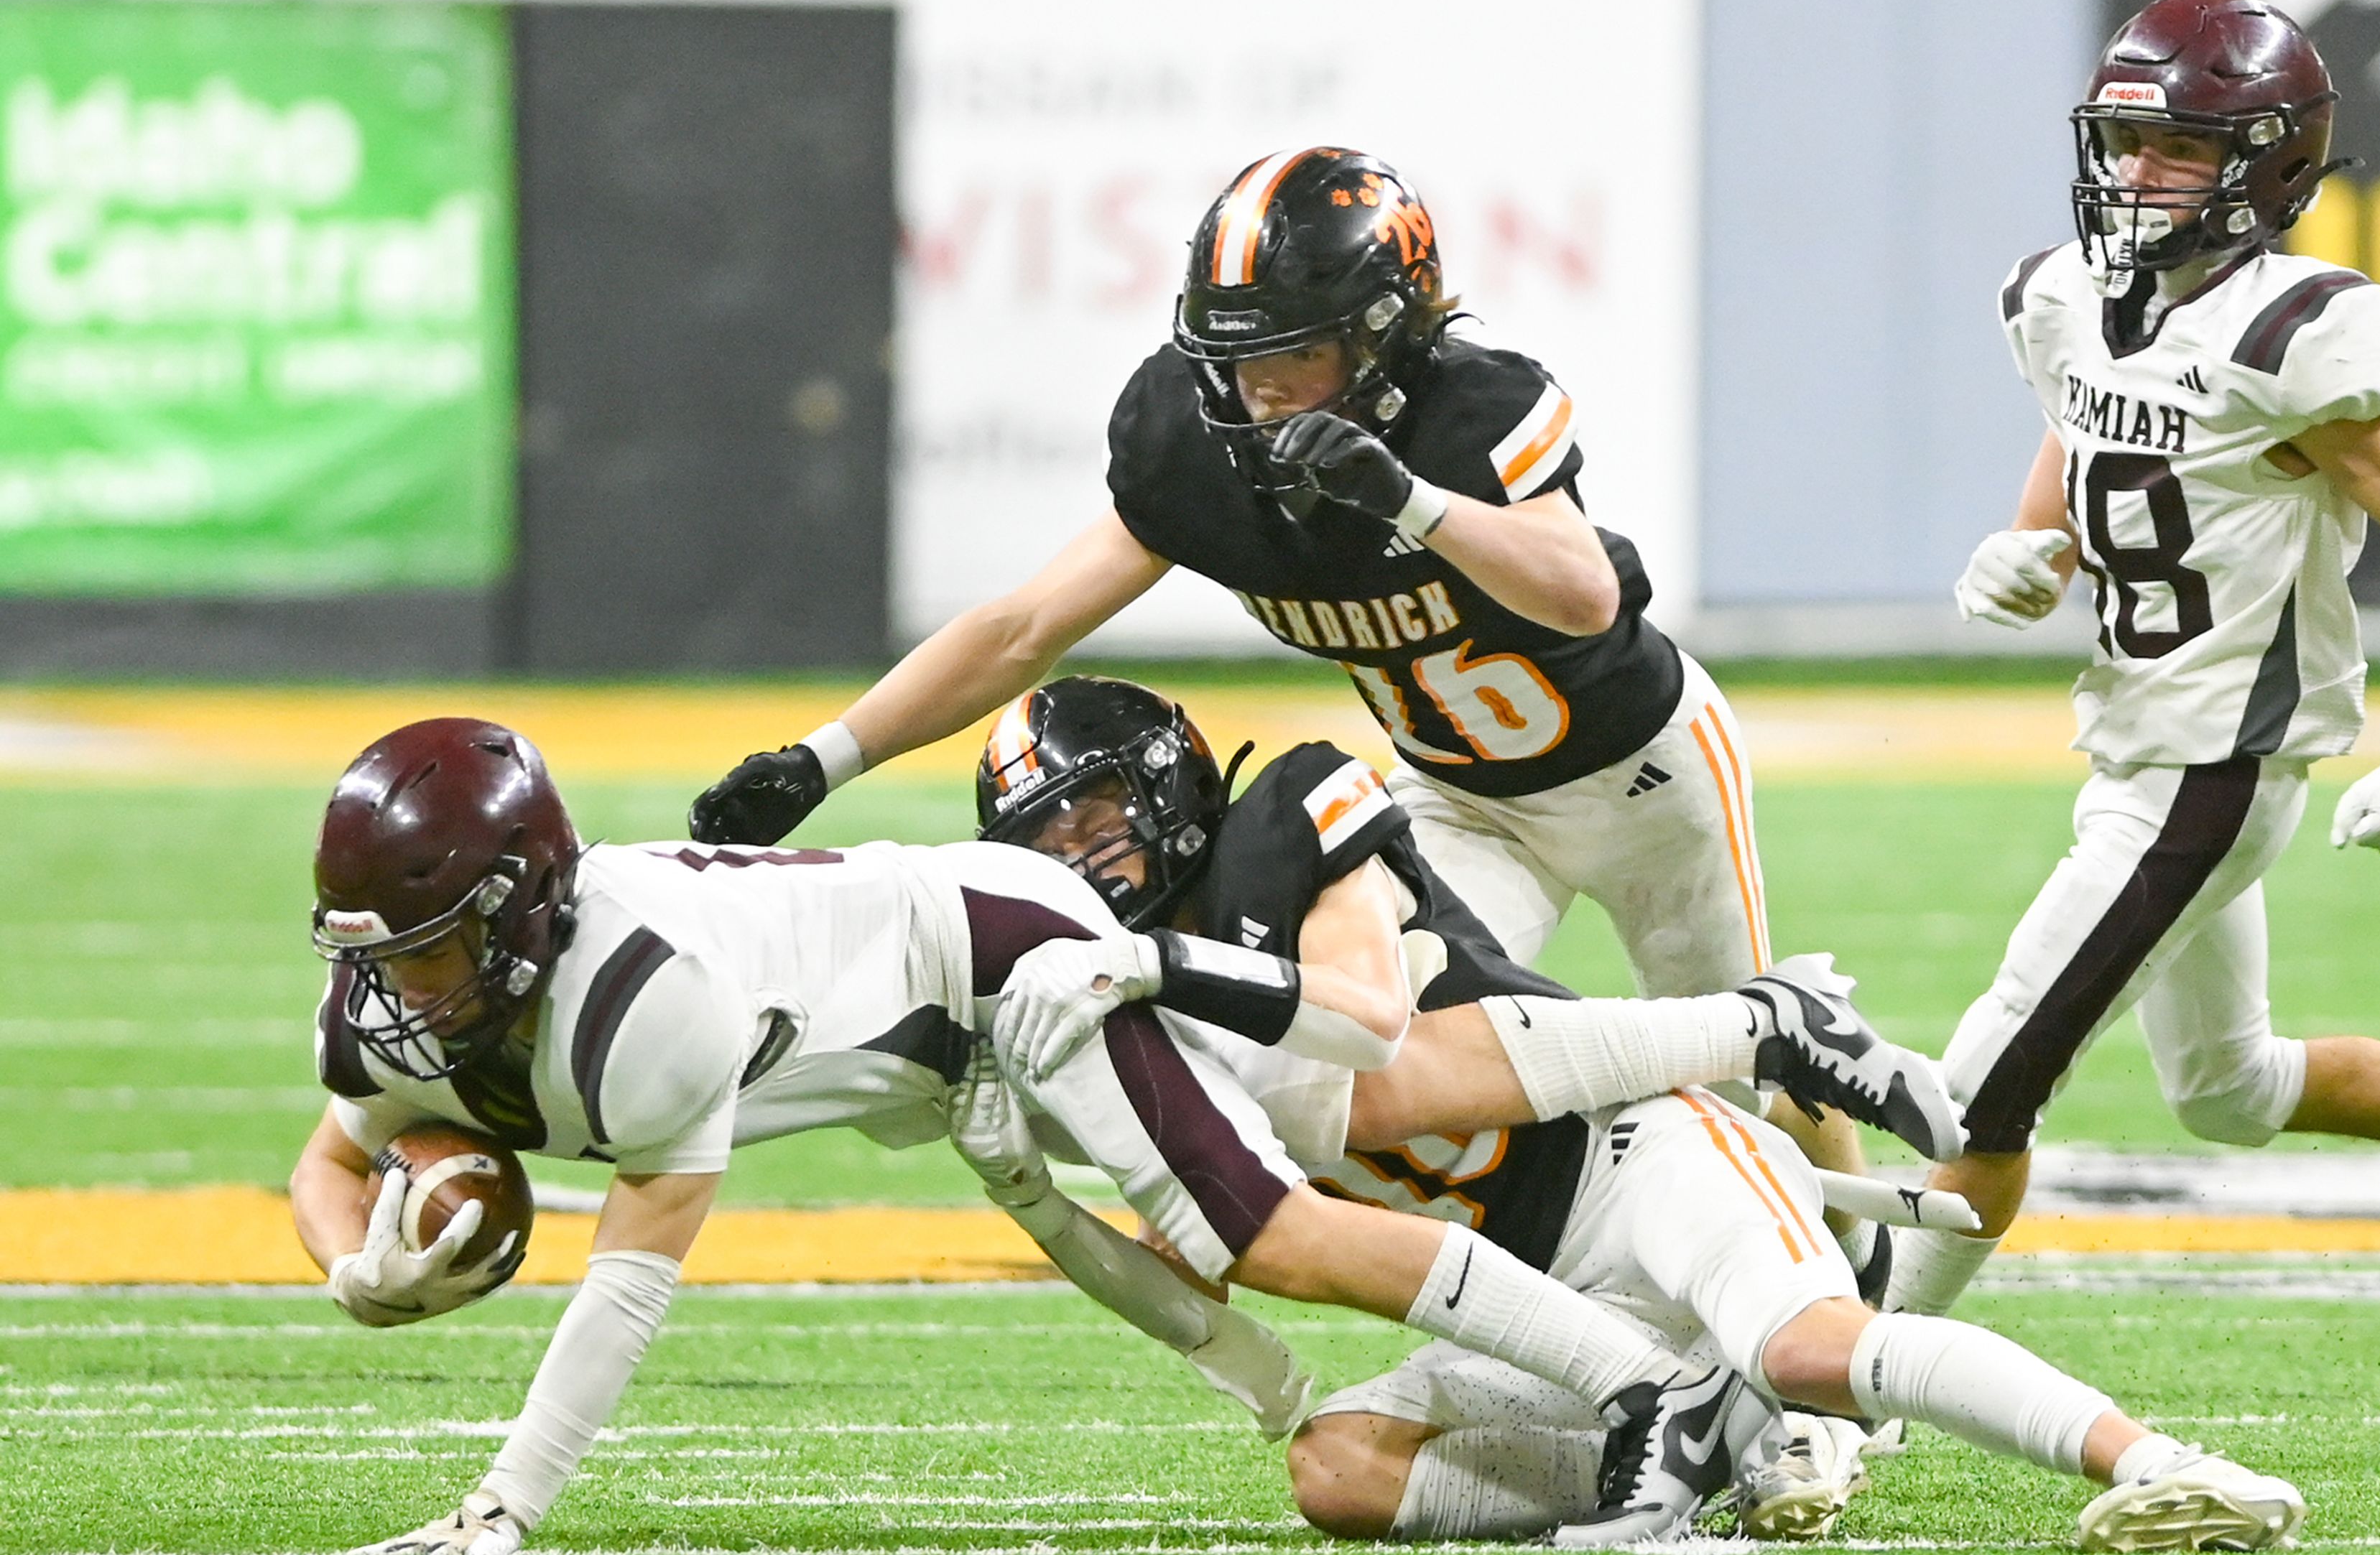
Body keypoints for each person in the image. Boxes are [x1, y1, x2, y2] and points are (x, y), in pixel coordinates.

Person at [288, 718, 1781, 1555]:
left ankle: (1643, 1375)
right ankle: (1383, 1393)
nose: (401, 989)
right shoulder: (393, 1004)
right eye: (382, 952)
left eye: (429, 948)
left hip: (997, 954)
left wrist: (504, 1504)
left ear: (523, 910)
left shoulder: (638, 999)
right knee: (1160, 1246)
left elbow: (631, 1277)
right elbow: (338, 1153)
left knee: (1255, 1223)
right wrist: (357, 1273)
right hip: (925, 1044)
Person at [976, 679, 2306, 1552]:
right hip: (1536, 1291)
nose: (1078, 859)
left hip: (1637, 1151)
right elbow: (1230, 1245)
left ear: (1167, 781)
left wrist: (1155, 962)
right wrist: (1041, 1191)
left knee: (1817, 1345)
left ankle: (2161, 1462)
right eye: (1042, 845)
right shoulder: (1109, 1013)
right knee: (1338, 1469)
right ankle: (1693, 1433)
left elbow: (1366, 1021)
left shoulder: (1288, 814)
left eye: (1091, 814)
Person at [1888, 0, 2380, 1327]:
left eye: (2182, 152)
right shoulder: (2069, 296)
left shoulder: (2295, 335)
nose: (2141, 178)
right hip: (2139, 740)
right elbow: (2086, 422)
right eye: (2128, 143)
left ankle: (1851, 1381)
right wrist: (2035, 542)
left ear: (2267, 168)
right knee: (2232, 1087)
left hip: (2212, 771)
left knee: (1981, 1089)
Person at [689, 146, 1783, 1016]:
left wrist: (1406, 499)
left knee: (1755, 1064)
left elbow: (1582, 594)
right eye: (1233, 360)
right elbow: (1024, 626)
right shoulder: (1193, 444)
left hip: (1642, 773)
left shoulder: (1470, 411)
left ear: (1384, 335)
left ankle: (1857, 1271)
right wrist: (824, 757)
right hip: (1459, 795)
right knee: (1394, 1037)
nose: (1257, 393)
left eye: (1293, 356)